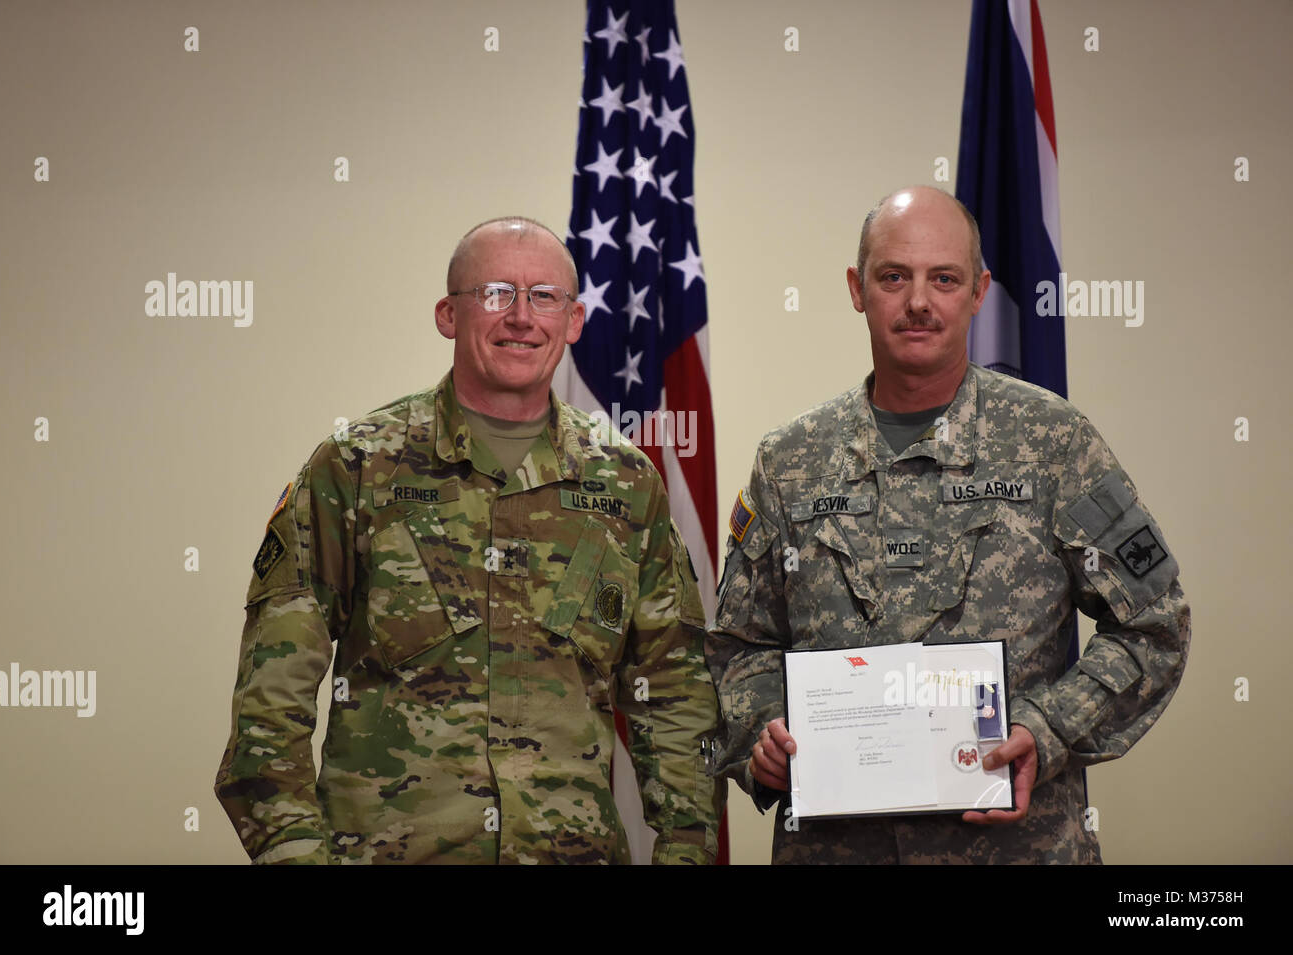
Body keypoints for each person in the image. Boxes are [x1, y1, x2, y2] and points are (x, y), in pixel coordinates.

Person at [215, 216, 723, 864]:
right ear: (447, 314)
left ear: (573, 321)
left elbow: (677, 703)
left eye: (544, 296)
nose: (519, 316)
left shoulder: (626, 487)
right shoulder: (358, 467)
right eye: (493, 293)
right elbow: (270, 706)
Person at [705, 186, 1189, 864]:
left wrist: (1048, 729)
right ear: (857, 288)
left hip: (1017, 849)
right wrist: (762, 734)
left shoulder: (1053, 441)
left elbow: (1155, 622)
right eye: (894, 276)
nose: (918, 302)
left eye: (944, 278)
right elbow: (738, 644)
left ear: (978, 290)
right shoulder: (790, 462)